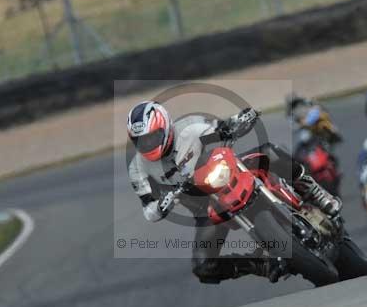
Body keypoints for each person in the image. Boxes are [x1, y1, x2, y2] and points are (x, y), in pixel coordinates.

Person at [127, 100, 342, 284]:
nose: (148, 144)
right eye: (141, 141)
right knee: (203, 266)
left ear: (164, 126)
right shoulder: (138, 168)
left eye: (152, 137)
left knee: (270, 152)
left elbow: (220, 127)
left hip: (227, 173)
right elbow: (149, 210)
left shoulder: (189, 128)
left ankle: (316, 194)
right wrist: (162, 205)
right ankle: (262, 266)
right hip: (207, 207)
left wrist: (240, 120)